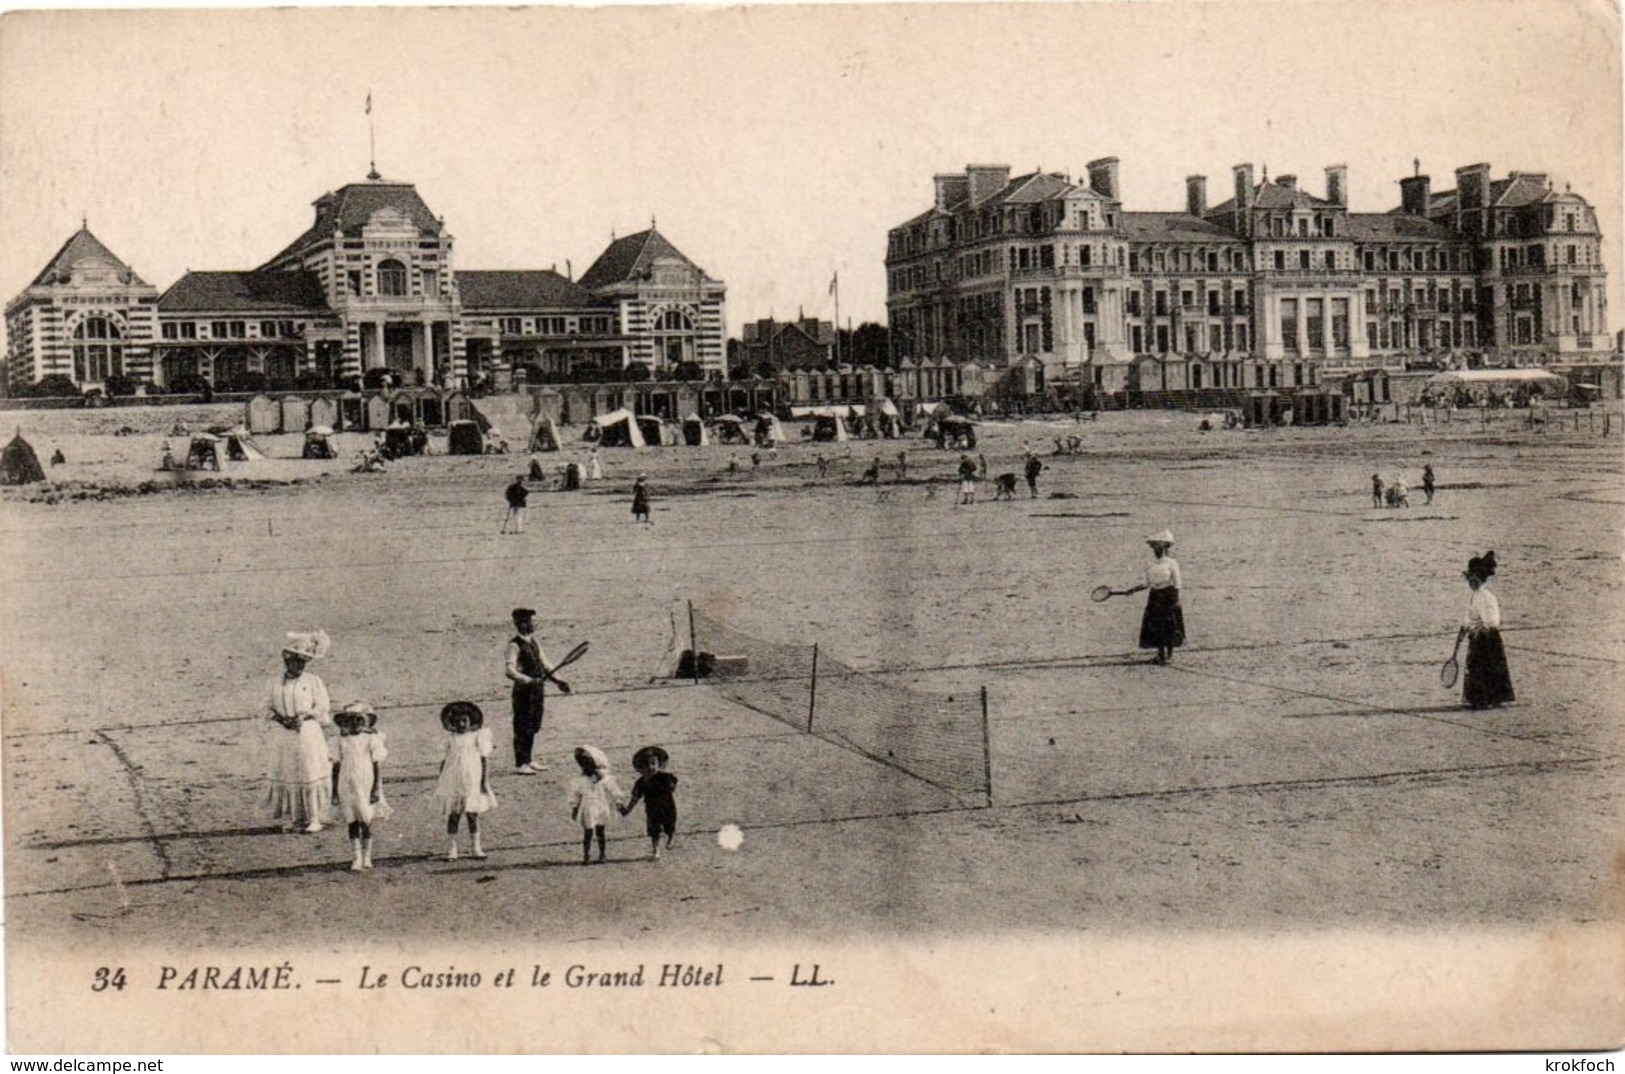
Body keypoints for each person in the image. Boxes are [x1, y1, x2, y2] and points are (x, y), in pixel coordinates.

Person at [264, 630, 334, 833]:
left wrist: (303, 716)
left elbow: (322, 706)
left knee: (309, 771)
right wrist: (280, 718)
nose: (298, 666)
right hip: (284, 735)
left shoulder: (313, 681)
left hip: (307, 733)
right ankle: (296, 818)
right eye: (294, 662)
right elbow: (265, 707)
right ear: (287, 661)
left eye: (302, 663)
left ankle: (314, 818)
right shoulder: (275, 682)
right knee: (290, 772)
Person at [505, 607, 570, 774]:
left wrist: (559, 680)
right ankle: (520, 764)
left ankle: (528, 759)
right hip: (523, 691)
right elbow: (510, 671)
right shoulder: (513, 645)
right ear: (521, 624)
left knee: (533, 724)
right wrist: (528, 680)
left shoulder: (534, 642)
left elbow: (546, 664)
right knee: (522, 726)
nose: (533, 624)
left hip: (537, 690)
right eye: (530, 621)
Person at [330, 702, 390, 871]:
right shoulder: (339, 741)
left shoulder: (371, 739)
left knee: (366, 820)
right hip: (346, 783)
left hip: (366, 783)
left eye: (359, 721)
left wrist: (376, 789)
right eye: (350, 721)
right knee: (352, 821)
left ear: (366, 723)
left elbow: (376, 766)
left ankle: (367, 856)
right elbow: (335, 767)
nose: (355, 725)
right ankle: (356, 856)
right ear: (344, 723)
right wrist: (334, 792)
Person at [434, 701, 495, 861]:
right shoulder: (449, 739)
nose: (462, 724)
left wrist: (484, 781)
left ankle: (476, 847)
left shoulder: (477, 737)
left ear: (471, 721)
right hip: (453, 780)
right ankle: (452, 848)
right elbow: (444, 761)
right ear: (452, 723)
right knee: (453, 815)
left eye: (465, 721)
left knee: (472, 814)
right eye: (458, 721)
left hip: (472, 779)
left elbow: (484, 760)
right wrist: (441, 781)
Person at [1455, 552, 1515, 710]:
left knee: (1486, 668)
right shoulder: (1473, 597)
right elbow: (1467, 619)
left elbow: (1493, 622)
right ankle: (1480, 699)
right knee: (1477, 668)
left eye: (1473, 579)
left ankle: (1489, 699)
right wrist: (1463, 633)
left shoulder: (1488, 597)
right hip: (1477, 638)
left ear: (1480, 579)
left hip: (1488, 639)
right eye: (1469, 579)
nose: (1471, 582)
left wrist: (1479, 629)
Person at [1123, 530, 1185, 665]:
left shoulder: (1171, 563)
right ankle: (1160, 655)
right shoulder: (1151, 564)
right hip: (1155, 597)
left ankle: (1169, 656)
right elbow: (1147, 583)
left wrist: (1176, 601)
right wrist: (1132, 590)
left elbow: (1177, 583)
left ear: (1164, 547)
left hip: (1169, 597)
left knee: (1169, 626)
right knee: (1157, 626)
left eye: (1158, 547)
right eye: (1154, 547)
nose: (1156, 550)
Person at [621, 745, 678, 860]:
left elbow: (673, 786)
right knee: (654, 831)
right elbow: (635, 797)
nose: (651, 767)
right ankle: (656, 851)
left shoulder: (665, 777)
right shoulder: (641, 782)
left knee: (669, 826)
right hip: (652, 810)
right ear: (641, 768)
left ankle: (671, 838)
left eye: (653, 764)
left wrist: (671, 786)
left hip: (668, 807)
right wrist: (627, 809)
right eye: (647, 765)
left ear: (659, 764)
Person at [569, 745, 624, 865]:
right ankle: (586, 855)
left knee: (600, 831)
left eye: (588, 764)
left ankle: (602, 854)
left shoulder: (605, 778)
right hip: (587, 808)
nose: (586, 767)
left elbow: (614, 791)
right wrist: (574, 808)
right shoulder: (581, 780)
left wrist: (619, 802)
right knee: (588, 832)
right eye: (584, 764)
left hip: (601, 806)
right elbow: (576, 795)